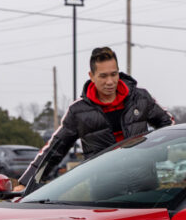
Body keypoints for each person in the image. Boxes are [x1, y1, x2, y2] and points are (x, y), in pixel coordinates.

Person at [19, 46, 173, 186]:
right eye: (103, 76)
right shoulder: (78, 112)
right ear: (91, 76)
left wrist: (155, 153)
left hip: (145, 187)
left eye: (114, 74)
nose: (110, 81)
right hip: (104, 191)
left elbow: (167, 124)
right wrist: (26, 183)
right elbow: (54, 150)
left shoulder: (140, 98)